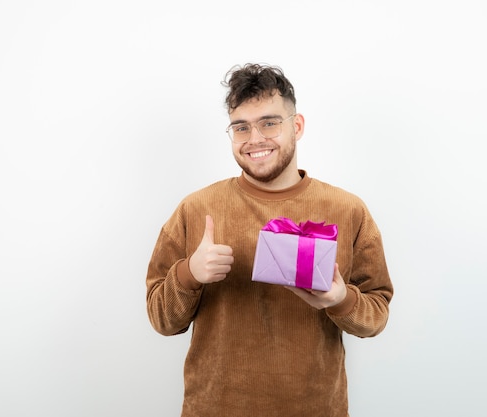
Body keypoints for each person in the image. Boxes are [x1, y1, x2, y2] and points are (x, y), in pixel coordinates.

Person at [146, 63, 393, 417]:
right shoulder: (196, 209)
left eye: (269, 122)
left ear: (297, 125)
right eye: (241, 127)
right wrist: (189, 274)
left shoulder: (348, 210)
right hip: (214, 408)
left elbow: (377, 316)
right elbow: (161, 319)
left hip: (315, 408)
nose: (254, 139)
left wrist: (340, 299)